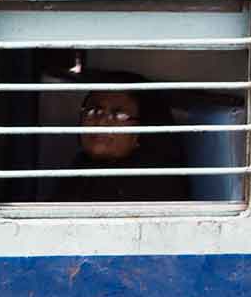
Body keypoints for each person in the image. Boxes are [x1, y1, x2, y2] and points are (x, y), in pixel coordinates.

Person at [55, 77, 189, 203]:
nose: (101, 123)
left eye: (119, 115)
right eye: (95, 111)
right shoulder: (83, 165)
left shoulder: (153, 183)